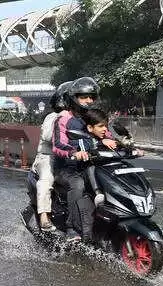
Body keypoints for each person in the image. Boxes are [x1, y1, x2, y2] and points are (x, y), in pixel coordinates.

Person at [51, 77, 117, 241]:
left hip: (90, 166)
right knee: (78, 184)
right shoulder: (63, 119)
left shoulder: (92, 117)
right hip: (67, 169)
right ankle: (72, 228)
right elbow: (58, 144)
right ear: (74, 98)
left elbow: (107, 135)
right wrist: (74, 153)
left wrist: (120, 144)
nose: (88, 100)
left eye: (91, 97)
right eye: (83, 97)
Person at [33, 81, 72, 232]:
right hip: (48, 157)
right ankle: (44, 216)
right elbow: (49, 136)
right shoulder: (53, 116)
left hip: (71, 158)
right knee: (46, 179)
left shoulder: (81, 117)